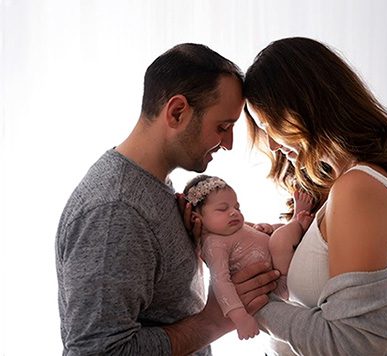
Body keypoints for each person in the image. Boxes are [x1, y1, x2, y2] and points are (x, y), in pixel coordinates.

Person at [55, 43, 279, 356]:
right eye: (223, 127)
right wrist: (215, 320)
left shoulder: (157, 188)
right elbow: (98, 352)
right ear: (177, 112)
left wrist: (203, 246)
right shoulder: (115, 211)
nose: (228, 143)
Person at [243, 37, 387, 355]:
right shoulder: (341, 188)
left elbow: (349, 346)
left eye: (271, 126)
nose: (270, 145)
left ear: (306, 105)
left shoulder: (357, 189)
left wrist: (255, 307)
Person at [182, 174, 314, 340]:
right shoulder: (214, 243)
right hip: (276, 282)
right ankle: (298, 221)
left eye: (237, 208)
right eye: (223, 209)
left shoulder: (236, 226)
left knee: (278, 234)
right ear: (197, 218)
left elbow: (260, 235)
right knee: (279, 241)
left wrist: (266, 227)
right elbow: (221, 282)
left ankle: (297, 224)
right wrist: (240, 318)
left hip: (280, 265)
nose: (233, 213)